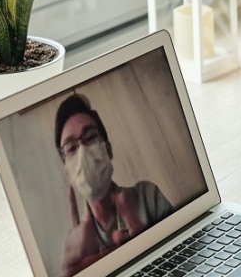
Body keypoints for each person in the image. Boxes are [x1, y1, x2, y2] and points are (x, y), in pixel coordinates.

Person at [54, 94, 174, 276]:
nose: (83, 151)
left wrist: (150, 251)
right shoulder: (75, 248)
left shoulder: (148, 197)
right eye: (71, 147)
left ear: (108, 150)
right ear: (67, 172)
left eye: (90, 137)